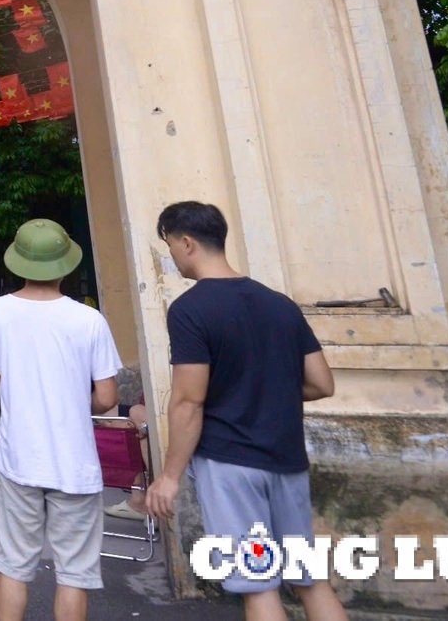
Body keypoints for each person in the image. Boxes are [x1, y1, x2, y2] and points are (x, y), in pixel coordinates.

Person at [144, 202, 346, 621]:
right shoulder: (280, 304)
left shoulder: (190, 310)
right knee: (309, 578)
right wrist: (267, 390)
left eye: (170, 247)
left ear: (187, 243)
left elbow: (188, 400)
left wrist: (168, 476)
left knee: (258, 586)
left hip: (230, 464)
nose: (173, 257)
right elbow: (322, 383)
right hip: (287, 459)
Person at [0, 219, 123, 621]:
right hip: (75, 466)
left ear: (18, 263)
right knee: (74, 573)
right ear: (65, 265)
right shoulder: (88, 320)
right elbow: (108, 398)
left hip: (18, 462)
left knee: (13, 562)